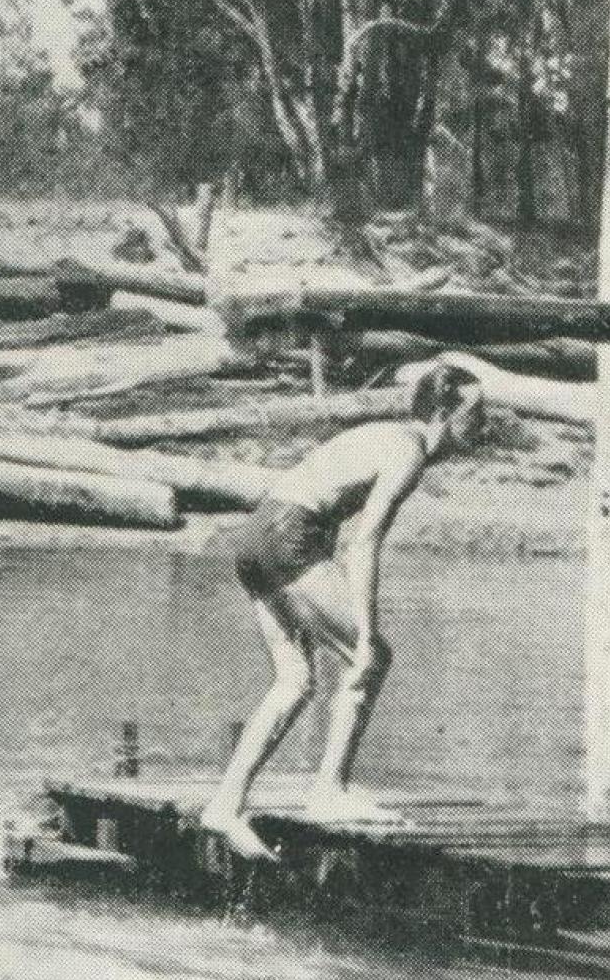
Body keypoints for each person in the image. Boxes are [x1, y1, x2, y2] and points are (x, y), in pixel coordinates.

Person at [201, 360, 483, 859]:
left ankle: (225, 805)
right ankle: (328, 790)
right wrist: (367, 632)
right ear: (442, 411)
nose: (485, 424)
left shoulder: (388, 435)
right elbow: (365, 540)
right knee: (372, 658)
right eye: (476, 412)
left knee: (294, 682)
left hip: (258, 534)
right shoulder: (408, 450)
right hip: (290, 536)